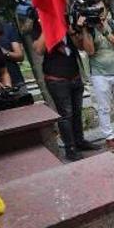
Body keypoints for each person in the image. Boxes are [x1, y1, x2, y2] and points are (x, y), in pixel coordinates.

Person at [33, 21, 100, 161]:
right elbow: (39, 49)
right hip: (56, 77)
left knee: (76, 111)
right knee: (65, 114)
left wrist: (78, 30)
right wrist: (50, 25)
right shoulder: (41, 23)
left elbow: (82, 48)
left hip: (74, 75)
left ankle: (79, 141)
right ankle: (70, 148)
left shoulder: (69, 23)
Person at [77, 0, 114, 149]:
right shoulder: (89, 28)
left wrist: (104, 31)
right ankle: (109, 136)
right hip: (99, 73)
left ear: (106, 9)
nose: (100, 13)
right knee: (104, 107)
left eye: (102, 9)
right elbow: (89, 51)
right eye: (96, 10)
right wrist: (84, 29)